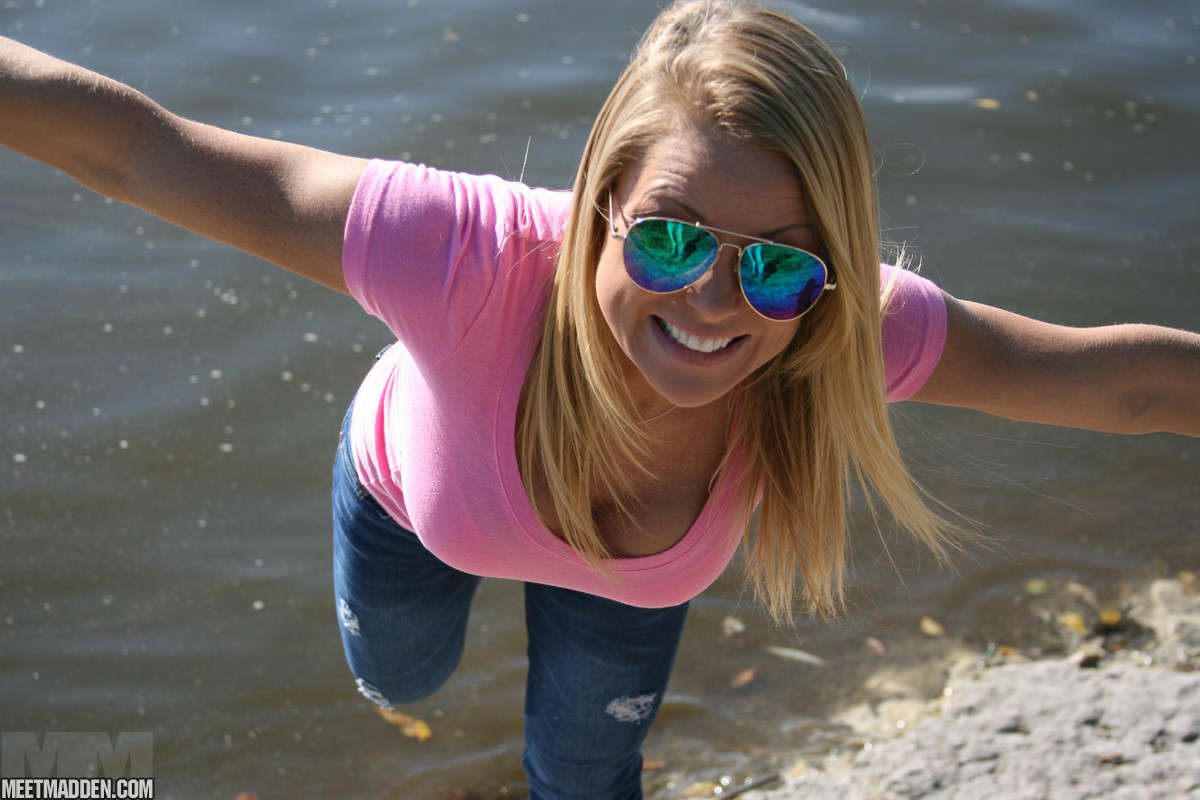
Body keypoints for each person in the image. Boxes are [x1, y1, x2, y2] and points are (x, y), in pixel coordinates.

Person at [2, 1, 1197, 797]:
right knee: (401, 681)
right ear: (601, 202)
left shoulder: (838, 328)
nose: (715, 301)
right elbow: (139, 152)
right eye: (670, 237)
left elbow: (1124, 386)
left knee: (584, 782)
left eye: (777, 264)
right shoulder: (462, 255)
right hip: (412, 499)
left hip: (624, 584)